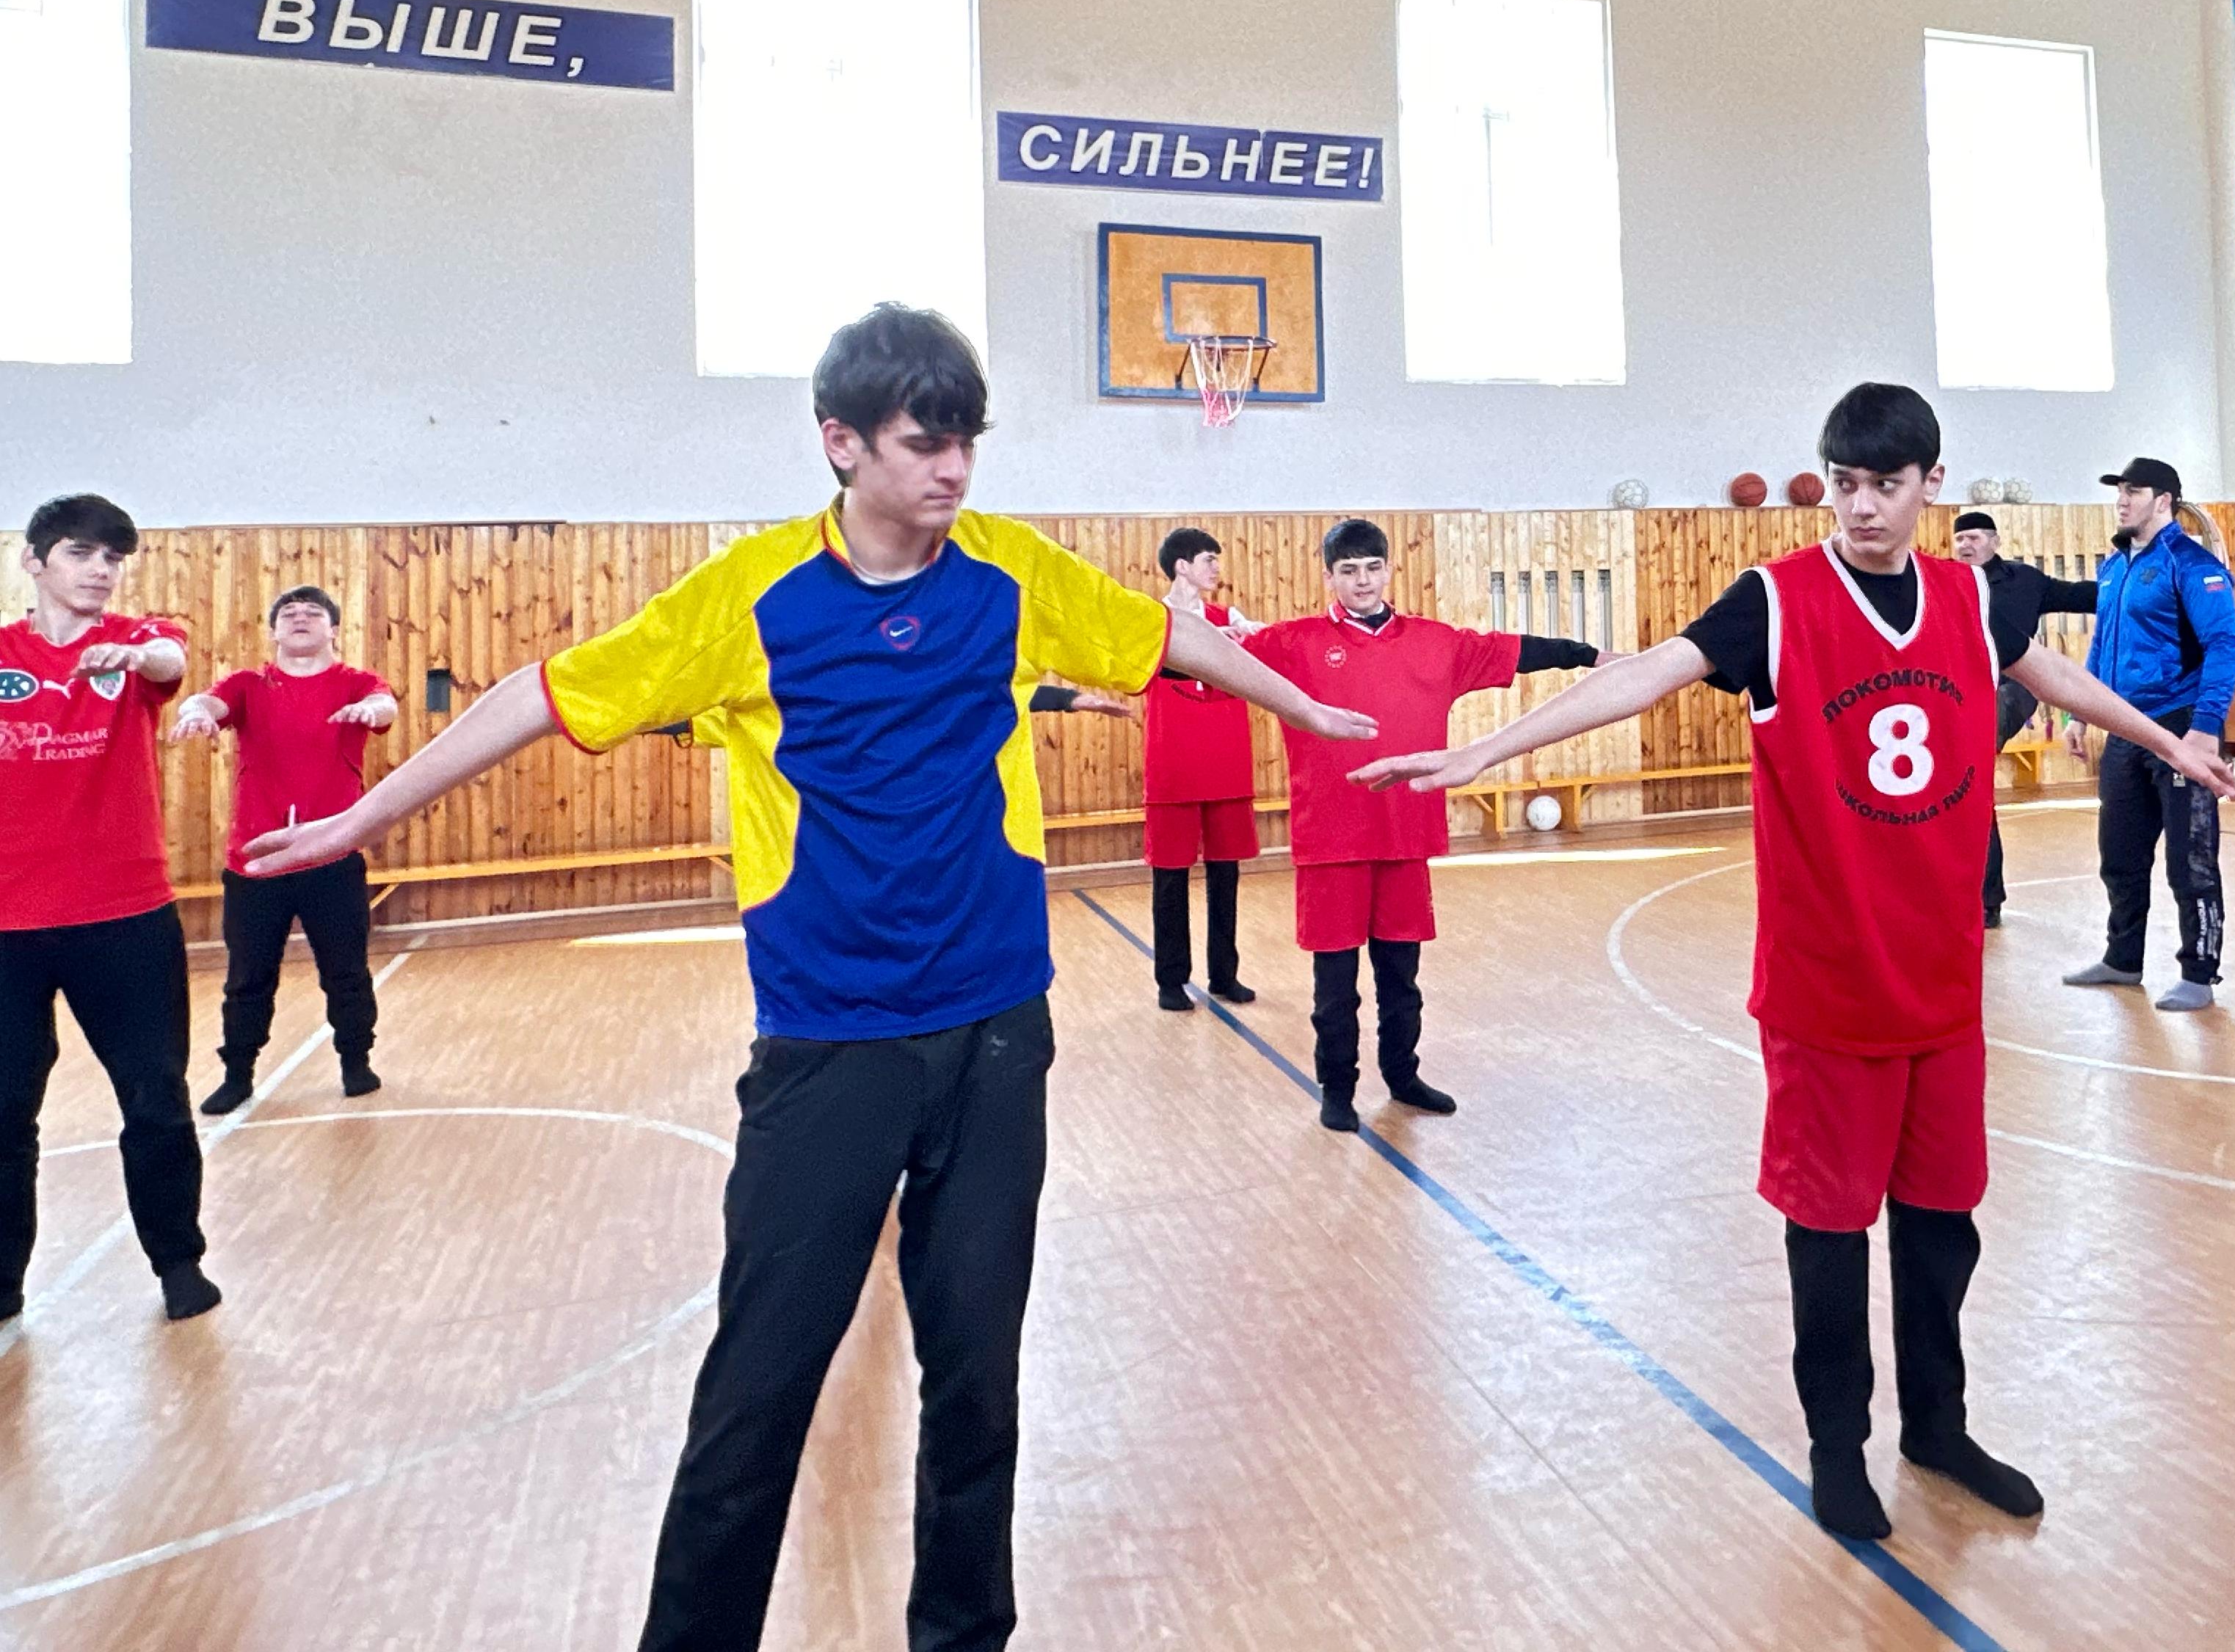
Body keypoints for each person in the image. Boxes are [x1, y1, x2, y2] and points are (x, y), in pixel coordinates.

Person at [242, 305, 1373, 1652]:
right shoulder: (752, 594)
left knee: (978, 1385)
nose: (953, 469)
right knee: (757, 1397)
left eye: (967, 442)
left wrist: (1302, 707)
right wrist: (364, 817)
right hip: (830, 1046)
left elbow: (1161, 637)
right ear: (841, 442)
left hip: (998, 1029)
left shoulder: (1010, 569)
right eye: (923, 443)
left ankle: (964, 1632)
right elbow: (545, 693)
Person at [1354, 386, 2235, 1542]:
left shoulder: (1973, 597)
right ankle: (1837, 1447)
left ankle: (1939, 1427)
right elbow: (1648, 672)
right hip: (1827, 989)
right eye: (1845, 485)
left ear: (1930, 483)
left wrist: (2172, 741)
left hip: (1942, 988)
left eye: (1885, 486)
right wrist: (1486, 748)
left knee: (1942, 1228)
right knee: (1829, 1235)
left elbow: (2053, 676)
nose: (1861, 509)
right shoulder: (1774, 601)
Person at [1243, 519, 1606, 1134]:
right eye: (1349, 571)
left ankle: (1402, 1076)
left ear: (1389, 569)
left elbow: (1516, 651)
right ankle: (1338, 1089)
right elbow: (1212, 662)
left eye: (1373, 568)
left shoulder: (1436, 643)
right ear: (1329, 577)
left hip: (1406, 836)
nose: (1363, 581)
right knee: (1335, 987)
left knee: (1401, 978)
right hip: (1330, 840)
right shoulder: (1293, 643)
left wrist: (1592, 656)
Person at [0, 494, 220, 1325]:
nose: (101, 570)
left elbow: (166, 660)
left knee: (155, 1098)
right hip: (8, 928)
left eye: (113, 558)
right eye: (81, 553)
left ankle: (178, 1263)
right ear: (34, 561)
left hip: (123, 916)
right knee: (5, 1113)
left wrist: (132, 659)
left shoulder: (138, 639)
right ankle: (2, 1281)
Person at [169, 585, 397, 1112]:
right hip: (256, 862)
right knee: (247, 979)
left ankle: (356, 1061)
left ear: (333, 629)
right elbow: (208, 700)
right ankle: (238, 1073)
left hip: (332, 861)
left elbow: (384, 704)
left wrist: (370, 709)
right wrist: (196, 711)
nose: (300, 618)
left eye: (313, 613)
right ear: (273, 631)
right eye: (289, 614)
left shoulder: (356, 684)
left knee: (346, 973)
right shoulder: (249, 685)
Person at [2063, 457, 2235, 1012]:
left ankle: (2199, 974)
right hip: (2127, 728)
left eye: (2134, 491)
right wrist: (2080, 712)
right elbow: (2102, 644)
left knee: (2190, 861)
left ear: (2164, 501)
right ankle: (2122, 960)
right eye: (2119, 490)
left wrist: (2206, 730)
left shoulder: (2191, 565)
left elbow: (2225, 646)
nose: (2121, 500)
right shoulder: (2115, 567)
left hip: (2180, 724)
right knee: (2119, 853)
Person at [1951, 512, 2097, 927]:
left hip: (2011, 688)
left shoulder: (2025, 581)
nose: (1965, 545)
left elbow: (2082, 596)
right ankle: (1968, 895)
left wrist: (2135, 585)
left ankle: (1985, 902)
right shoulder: (1944, 582)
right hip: (1956, 691)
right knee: (1964, 787)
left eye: (1974, 537)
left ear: (1994, 541)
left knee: (1971, 762)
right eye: (1960, 539)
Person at [1141, 526, 1263, 1013]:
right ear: (1182, 566)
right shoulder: (1152, 620)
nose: (1217, 568)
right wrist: (1213, 644)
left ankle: (1224, 974)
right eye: (1209, 560)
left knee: (1226, 876)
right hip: (1173, 766)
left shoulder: (1229, 618)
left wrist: (1242, 635)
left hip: (1227, 764)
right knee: (1170, 879)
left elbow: (1261, 646)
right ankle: (1171, 980)